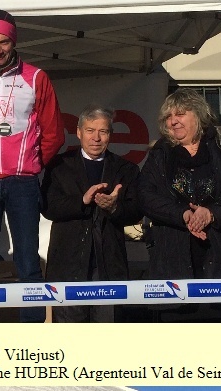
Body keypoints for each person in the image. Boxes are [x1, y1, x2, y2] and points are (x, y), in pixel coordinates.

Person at [0, 9, 65, 323]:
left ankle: (30, 331)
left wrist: (32, 163)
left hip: (23, 182)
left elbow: (54, 133)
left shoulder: (36, 77)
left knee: (27, 261)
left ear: (13, 40)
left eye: (3, 41)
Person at [137, 88, 221, 321]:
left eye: (179, 114)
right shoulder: (160, 153)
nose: (173, 121)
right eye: (168, 117)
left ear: (198, 115)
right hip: (172, 257)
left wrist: (211, 214)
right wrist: (183, 215)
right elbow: (145, 195)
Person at [41, 105, 142, 322]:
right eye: (90, 130)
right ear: (78, 132)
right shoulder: (59, 166)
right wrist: (82, 200)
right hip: (68, 264)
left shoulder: (126, 169)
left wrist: (114, 207)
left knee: (106, 332)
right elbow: (48, 206)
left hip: (108, 264)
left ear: (110, 136)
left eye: (103, 132)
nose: (96, 138)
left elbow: (136, 210)